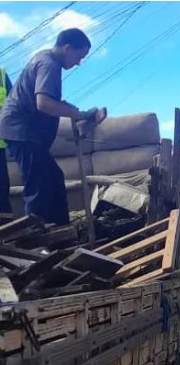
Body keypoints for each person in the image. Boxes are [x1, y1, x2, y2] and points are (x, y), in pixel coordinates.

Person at [0, 28, 104, 225]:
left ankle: (61, 231)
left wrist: (70, 109)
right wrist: (79, 114)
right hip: (20, 131)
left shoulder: (45, 59)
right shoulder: (49, 64)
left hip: (24, 132)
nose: (78, 63)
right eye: (79, 56)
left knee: (54, 178)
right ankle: (37, 242)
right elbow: (44, 103)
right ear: (67, 48)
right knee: (38, 185)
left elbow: (46, 101)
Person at [0, 68, 14, 213]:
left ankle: (8, 233)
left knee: (2, 191)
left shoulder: (2, 74)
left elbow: (13, 104)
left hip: (0, 145)